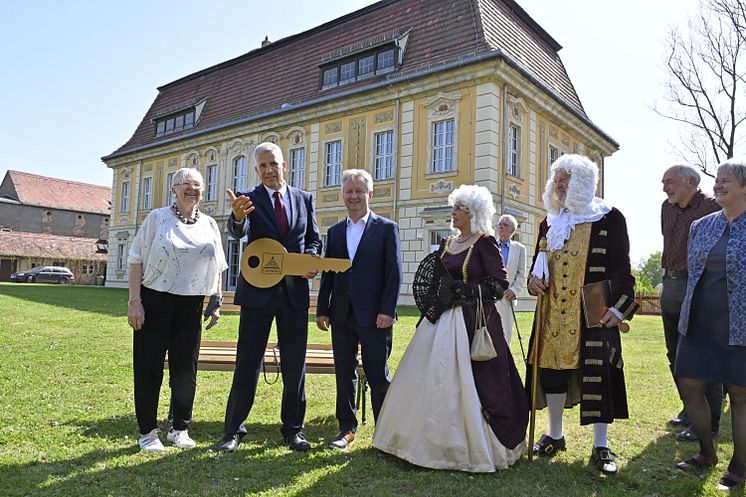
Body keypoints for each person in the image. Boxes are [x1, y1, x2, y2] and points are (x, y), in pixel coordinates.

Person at [373, 184, 528, 473]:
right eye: (454, 207)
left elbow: (499, 284)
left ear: (472, 212)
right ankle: (415, 442)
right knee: (427, 378)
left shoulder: (485, 241)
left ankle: (474, 446)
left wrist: (464, 290)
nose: (453, 212)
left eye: (458, 208)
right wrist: (438, 297)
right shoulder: (447, 242)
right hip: (440, 321)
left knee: (480, 383)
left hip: (473, 322)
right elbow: (436, 279)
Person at [526, 154, 638, 476]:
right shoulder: (549, 222)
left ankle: (601, 446)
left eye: (567, 180)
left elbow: (622, 269)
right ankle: (555, 436)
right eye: (556, 180)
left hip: (593, 309)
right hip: (553, 312)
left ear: (584, 184)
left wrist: (619, 309)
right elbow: (538, 265)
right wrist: (533, 282)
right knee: (553, 374)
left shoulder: (609, 217)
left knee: (598, 376)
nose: (559, 186)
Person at [217, 142, 322, 453]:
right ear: (256, 170)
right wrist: (236, 217)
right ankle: (233, 431)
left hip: (293, 294)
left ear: (284, 165)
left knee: (295, 365)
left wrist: (311, 260)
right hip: (258, 294)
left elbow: (312, 239)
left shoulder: (304, 199)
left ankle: (293, 430)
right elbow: (239, 230)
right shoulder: (248, 200)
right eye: (262, 166)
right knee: (247, 362)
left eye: (272, 164)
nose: (268, 170)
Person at [127, 167, 227, 451]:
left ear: (204, 191)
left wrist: (216, 301)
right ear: (174, 189)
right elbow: (135, 259)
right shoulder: (157, 219)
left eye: (197, 185)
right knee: (149, 368)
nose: (191, 189)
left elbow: (217, 265)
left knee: (186, 368)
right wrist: (135, 302)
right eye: (185, 183)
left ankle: (179, 428)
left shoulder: (209, 224)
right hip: (155, 300)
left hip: (191, 303)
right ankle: (148, 432)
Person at [316, 169, 402, 449]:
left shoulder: (386, 228)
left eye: (359, 191)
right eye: (349, 191)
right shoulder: (335, 231)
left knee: (378, 376)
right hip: (341, 314)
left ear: (370, 195)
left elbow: (394, 273)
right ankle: (346, 428)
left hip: (376, 316)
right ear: (343, 195)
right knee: (344, 373)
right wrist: (322, 309)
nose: (353, 196)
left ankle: (385, 431)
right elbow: (328, 272)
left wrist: (387, 310)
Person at [674, 159, 746, 491]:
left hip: (741, 325)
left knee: (740, 395)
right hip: (700, 322)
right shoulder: (700, 227)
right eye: (716, 180)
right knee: (688, 382)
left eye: (726, 180)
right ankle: (707, 452)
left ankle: (739, 468)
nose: (717, 185)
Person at [660, 164, 721, 442]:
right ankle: (690, 409)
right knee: (676, 355)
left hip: (697, 286)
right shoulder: (666, 207)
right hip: (670, 285)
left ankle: (707, 423)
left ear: (690, 182)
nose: (665, 188)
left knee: (702, 356)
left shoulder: (712, 207)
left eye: (669, 182)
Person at [495, 214, 526, 345]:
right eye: (500, 224)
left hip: (507, 299)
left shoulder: (519, 248)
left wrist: (514, 290)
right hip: (489, 297)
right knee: (488, 334)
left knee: (506, 334)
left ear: (512, 230)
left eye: (505, 224)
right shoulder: (490, 245)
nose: (501, 226)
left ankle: (504, 363)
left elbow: (521, 273)